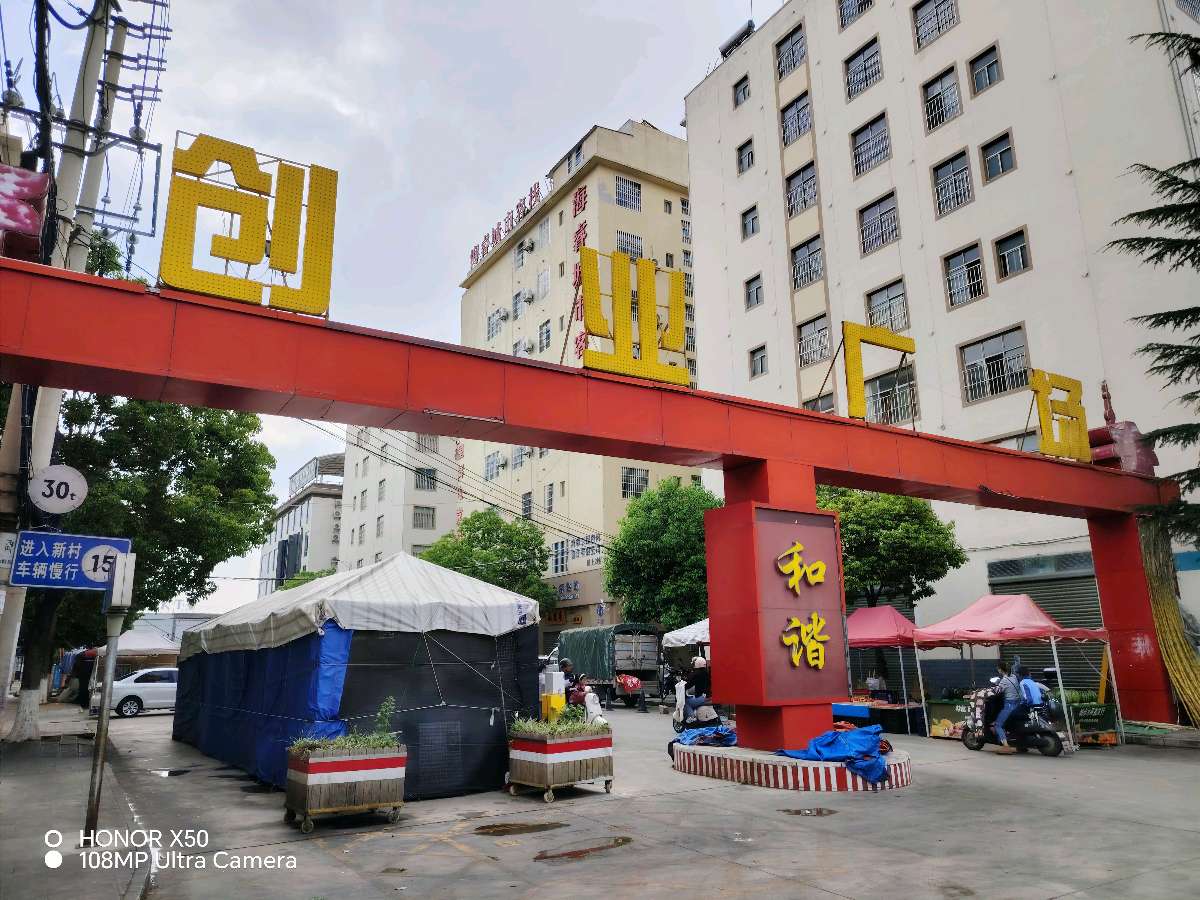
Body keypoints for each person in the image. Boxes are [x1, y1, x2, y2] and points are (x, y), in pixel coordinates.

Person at [993, 662, 1022, 754]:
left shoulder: (1004, 680)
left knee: (998, 724)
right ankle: (1019, 744)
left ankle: (1006, 746)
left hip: (1009, 705)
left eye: (998, 668)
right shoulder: (1014, 677)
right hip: (1018, 704)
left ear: (1000, 670)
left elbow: (996, 691)